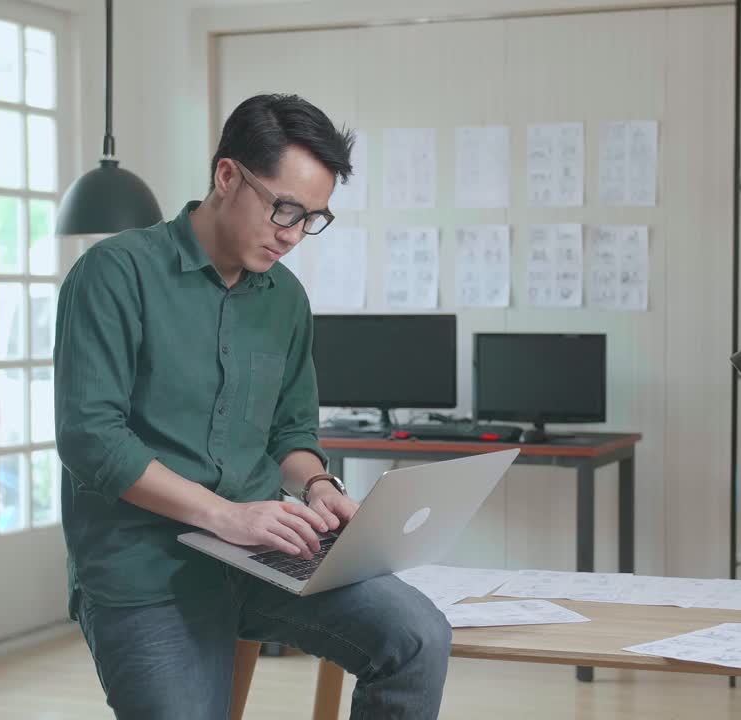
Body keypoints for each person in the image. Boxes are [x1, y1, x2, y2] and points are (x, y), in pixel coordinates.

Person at [54, 93, 452, 720]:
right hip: (144, 571)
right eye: (284, 209)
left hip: (261, 556)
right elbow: (91, 440)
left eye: (312, 218)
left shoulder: (285, 300)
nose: (293, 235)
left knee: (418, 635)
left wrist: (318, 485)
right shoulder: (114, 273)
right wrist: (225, 516)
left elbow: (290, 431)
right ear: (227, 175)